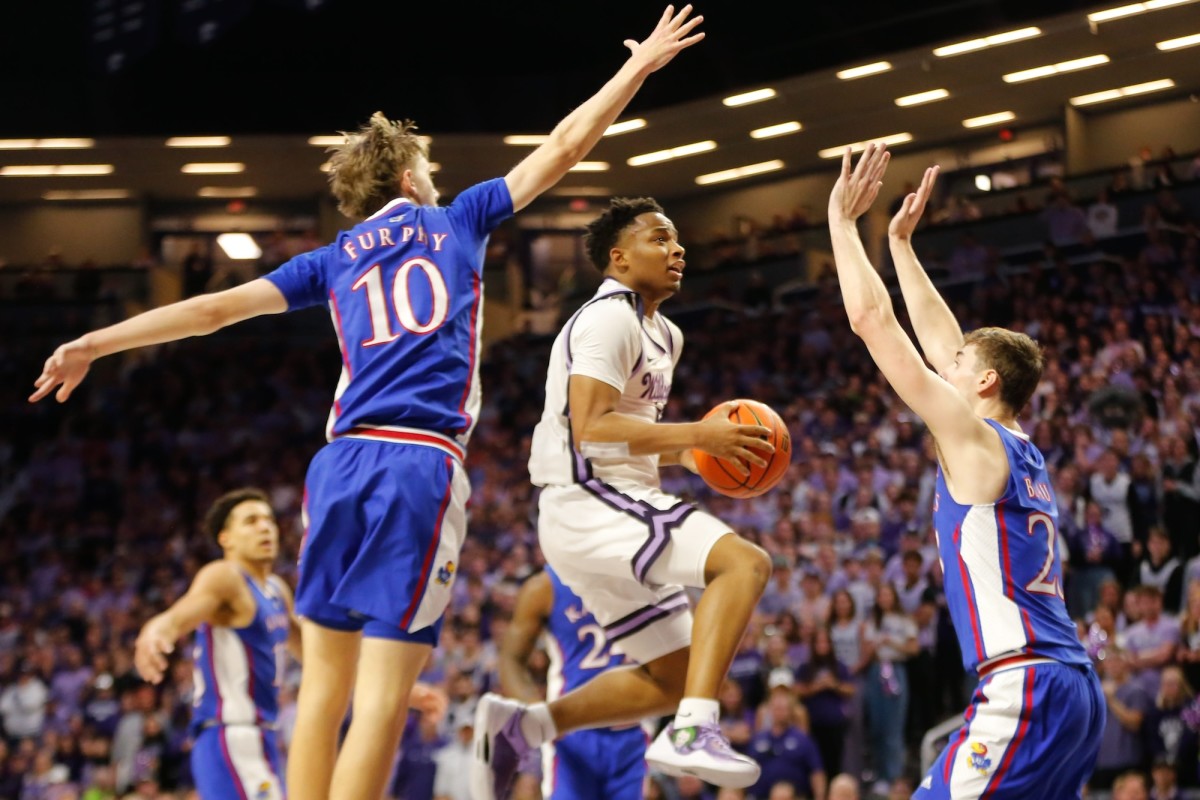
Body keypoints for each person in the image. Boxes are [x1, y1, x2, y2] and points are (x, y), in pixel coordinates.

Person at [30, 7, 703, 799]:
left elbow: (210, 312)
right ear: (412, 177)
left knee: (321, 692)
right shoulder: (457, 220)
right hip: (418, 463)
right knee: (382, 701)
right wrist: (638, 68)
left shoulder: (332, 256)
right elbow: (563, 146)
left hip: (338, 463)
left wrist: (94, 342)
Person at [825, 143, 1104, 798]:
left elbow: (873, 321)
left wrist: (842, 224)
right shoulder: (1015, 446)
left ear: (983, 382)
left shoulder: (973, 439)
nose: (942, 367)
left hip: (1025, 685)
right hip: (1069, 685)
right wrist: (899, 245)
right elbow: (945, 343)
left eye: (956, 367)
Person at [471, 194, 774, 797]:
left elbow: (629, 433)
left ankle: (523, 728)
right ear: (618, 257)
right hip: (586, 500)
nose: (677, 249)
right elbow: (592, 429)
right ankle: (693, 729)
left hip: (607, 502)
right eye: (659, 238)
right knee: (745, 563)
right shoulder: (608, 317)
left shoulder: (666, 333)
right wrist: (698, 432)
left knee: (674, 675)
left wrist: (691, 455)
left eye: (677, 239)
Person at [131, 488, 301, 800]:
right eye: (251, 521)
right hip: (229, 734)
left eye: (269, 520)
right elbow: (177, 616)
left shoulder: (277, 590)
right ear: (226, 538)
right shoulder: (225, 577)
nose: (265, 527)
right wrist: (156, 633)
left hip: (262, 737)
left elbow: (319, 657)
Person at [497, 565, 648, 799]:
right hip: (571, 731)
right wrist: (537, 709)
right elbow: (511, 659)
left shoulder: (648, 576)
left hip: (632, 731)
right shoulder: (545, 587)